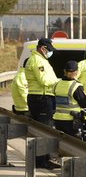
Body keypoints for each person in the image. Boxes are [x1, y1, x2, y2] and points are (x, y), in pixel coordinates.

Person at [52, 60, 86, 177]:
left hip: (58, 120)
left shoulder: (57, 84)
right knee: (74, 150)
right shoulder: (76, 86)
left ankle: (65, 174)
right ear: (76, 72)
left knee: (63, 149)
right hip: (72, 122)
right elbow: (84, 103)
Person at [25, 38, 59, 168]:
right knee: (43, 131)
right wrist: (56, 82)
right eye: (49, 50)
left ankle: (44, 159)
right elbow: (44, 80)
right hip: (41, 98)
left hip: (43, 97)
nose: (50, 52)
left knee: (45, 130)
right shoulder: (37, 60)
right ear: (42, 48)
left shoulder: (42, 59)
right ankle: (41, 161)